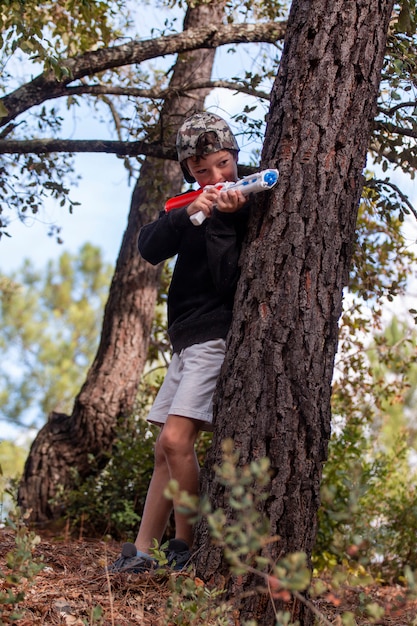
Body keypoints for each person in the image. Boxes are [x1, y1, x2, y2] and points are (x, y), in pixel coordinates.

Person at [108, 111, 249, 574]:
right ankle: (143, 552)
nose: (216, 176)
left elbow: (230, 281)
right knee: (163, 450)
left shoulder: (247, 199)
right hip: (185, 338)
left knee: (175, 438)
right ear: (189, 169)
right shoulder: (189, 203)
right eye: (203, 169)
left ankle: (183, 547)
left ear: (235, 157)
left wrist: (224, 221)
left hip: (215, 333)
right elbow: (149, 247)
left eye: (224, 164)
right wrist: (193, 211)